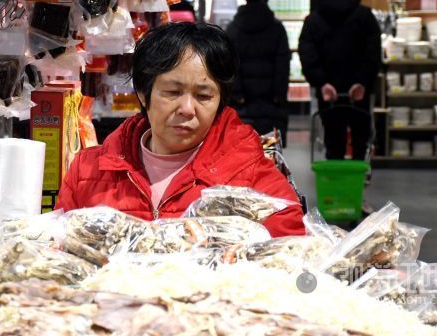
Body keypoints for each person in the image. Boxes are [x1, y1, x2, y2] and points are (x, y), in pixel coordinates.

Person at [56, 23, 305, 237]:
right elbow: (58, 253)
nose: (187, 108)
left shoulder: (252, 175)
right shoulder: (87, 171)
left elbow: (289, 255)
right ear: (143, 93)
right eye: (172, 92)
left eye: (204, 96)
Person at [298, 0, 382, 160]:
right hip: (358, 91)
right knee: (360, 141)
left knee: (333, 140)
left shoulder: (313, 19)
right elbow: (373, 52)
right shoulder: (364, 15)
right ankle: (357, 183)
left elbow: (307, 53)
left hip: (329, 92)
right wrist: (362, 81)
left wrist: (321, 82)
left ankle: (335, 184)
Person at [226, 0, 290, 142]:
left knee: (243, 148)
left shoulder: (233, 28)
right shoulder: (276, 28)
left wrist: (237, 93)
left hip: (243, 102)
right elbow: (282, 63)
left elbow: (229, 63)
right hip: (271, 101)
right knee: (269, 148)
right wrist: (279, 94)